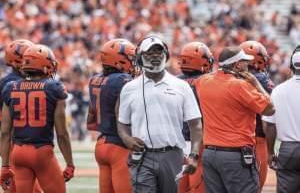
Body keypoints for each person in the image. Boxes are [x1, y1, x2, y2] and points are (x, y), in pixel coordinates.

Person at [117, 36, 203, 193]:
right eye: (149, 53)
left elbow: (195, 123)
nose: (155, 56)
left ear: (166, 56)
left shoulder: (181, 86)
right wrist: (126, 138)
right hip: (142, 155)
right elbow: (122, 122)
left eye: (159, 52)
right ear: (140, 58)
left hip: (172, 154)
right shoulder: (129, 88)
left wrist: (194, 154)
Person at [194, 46, 275, 193]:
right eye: (244, 61)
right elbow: (270, 109)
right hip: (236, 155)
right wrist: (256, 85)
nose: (248, 65)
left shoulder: (203, 82)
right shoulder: (241, 86)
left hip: (210, 154)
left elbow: (204, 80)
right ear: (237, 64)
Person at [0, 44, 75, 193]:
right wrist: (69, 163)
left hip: (18, 152)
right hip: (42, 152)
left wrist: (5, 166)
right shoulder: (54, 88)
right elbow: (62, 133)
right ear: (44, 65)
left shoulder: (10, 87)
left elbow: (5, 132)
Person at [86, 38, 136, 193]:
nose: (134, 63)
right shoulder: (123, 80)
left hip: (101, 144)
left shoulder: (95, 79)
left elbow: (90, 118)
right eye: (131, 59)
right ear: (120, 61)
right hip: (119, 145)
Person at [0, 39, 43, 193]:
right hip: (16, 142)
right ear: (18, 61)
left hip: (15, 143)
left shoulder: (8, 82)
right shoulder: (16, 84)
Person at [177, 42, 214, 193]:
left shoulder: (173, 81)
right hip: (198, 142)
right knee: (197, 187)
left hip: (176, 142)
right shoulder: (207, 81)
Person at [262, 45, 300, 193]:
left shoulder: (279, 90)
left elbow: (269, 126)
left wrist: (270, 152)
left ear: (291, 66)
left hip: (288, 149)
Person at [240, 40, 275, 191]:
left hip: (235, 140)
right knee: (255, 187)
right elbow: (271, 111)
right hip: (257, 139)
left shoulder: (231, 78)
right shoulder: (261, 79)